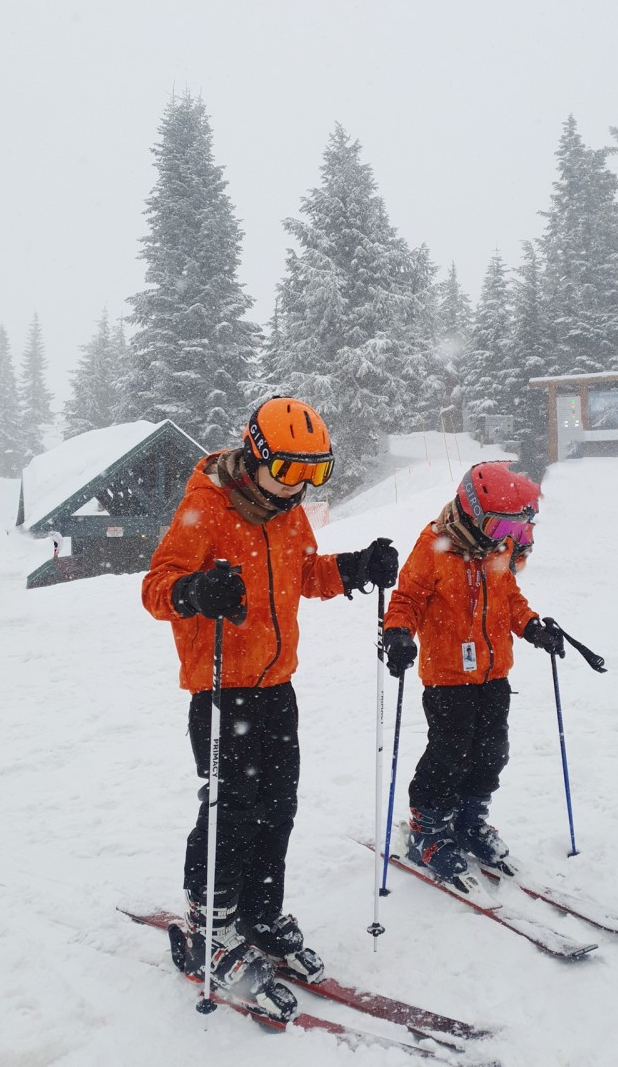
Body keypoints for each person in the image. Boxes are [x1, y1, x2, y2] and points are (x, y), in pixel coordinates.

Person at [142, 396, 398, 1020]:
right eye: (288, 472)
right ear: (254, 458)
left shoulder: (286, 514)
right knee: (232, 809)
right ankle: (212, 918)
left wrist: (356, 567)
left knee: (278, 803)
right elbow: (155, 589)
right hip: (221, 685)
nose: (299, 488)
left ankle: (257, 909)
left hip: (277, 685)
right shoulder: (205, 507)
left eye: (316, 474)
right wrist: (195, 590)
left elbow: (303, 573)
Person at [382, 461, 566, 885]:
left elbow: (510, 597)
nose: (504, 537)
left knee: (492, 752)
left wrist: (532, 626)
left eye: (510, 528)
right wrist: (397, 633)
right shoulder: (433, 546)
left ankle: (469, 818)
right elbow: (407, 598)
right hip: (447, 677)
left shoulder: (497, 551)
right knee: (448, 755)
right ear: (471, 513)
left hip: (493, 674)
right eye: (496, 524)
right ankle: (428, 829)